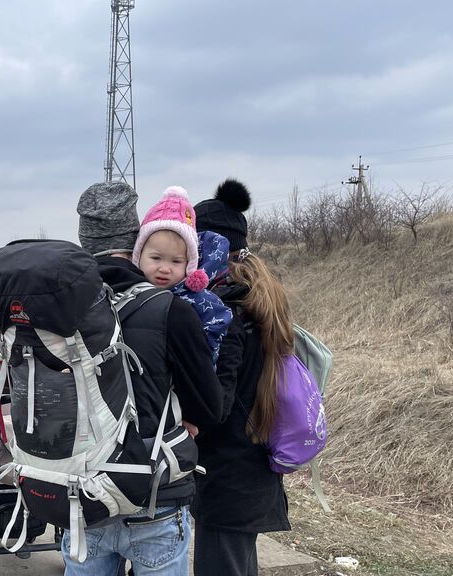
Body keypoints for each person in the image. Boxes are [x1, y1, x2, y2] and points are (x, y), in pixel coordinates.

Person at [72, 181, 225, 576]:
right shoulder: (172, 310)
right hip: (155, 491)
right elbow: (210, 408)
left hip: (83, 490)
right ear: (135, 239)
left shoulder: (63, 308)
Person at [191, 179, 292, 576]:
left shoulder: (226, 312)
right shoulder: (259, 298)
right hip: (252, 458)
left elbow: (216, 405)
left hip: (227, 472)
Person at [132, 186, 232, 364]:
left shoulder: (198, 299)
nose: (164, 269)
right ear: (138, 256)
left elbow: (221, 321)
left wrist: (199, 354)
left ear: (190, 264)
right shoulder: (129, 293)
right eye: (156, 258)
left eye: (176, 261)